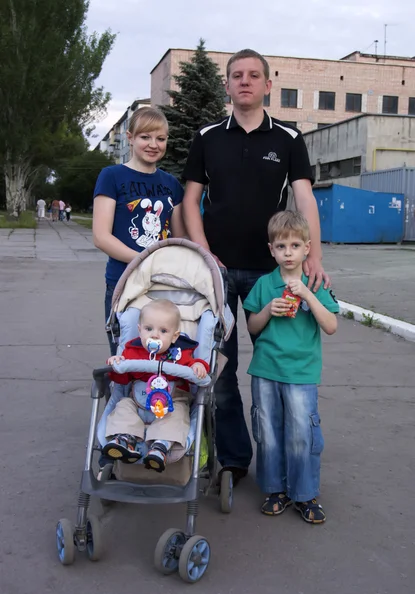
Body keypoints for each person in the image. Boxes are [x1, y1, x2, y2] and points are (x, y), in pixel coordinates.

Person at [182, 48, 331, 487]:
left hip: (274, 274)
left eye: (253, 75)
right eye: (236, 76)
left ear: (268, 84)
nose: (244, 81)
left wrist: (315, 256)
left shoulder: (288, 139)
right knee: (221, 371)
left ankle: (288, 460)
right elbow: (191, 200)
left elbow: (304, 199)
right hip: (219, 272)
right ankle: (233, 460)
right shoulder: (208, 137)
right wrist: (205, 251)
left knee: (279, 368)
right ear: (227, 86)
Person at [243, 211, 338, 523]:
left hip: (301, 373)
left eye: (295, 246)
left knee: (301, 434)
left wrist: (307, 294)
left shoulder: (315, 283)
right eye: (281, 246)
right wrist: (270, 309)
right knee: (268, 432)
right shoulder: (263, 285)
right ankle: (274, 489)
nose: (288, 253)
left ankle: (305, 493)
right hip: (266, 370)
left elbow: (331, 325)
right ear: (272, 250)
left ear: (307, 248)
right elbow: (253, 327)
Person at [93, 107, 186, 356]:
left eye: (161, 138)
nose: (153, 144)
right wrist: (143, 260)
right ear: (130, 137)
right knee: (127, 358)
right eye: (145, 137)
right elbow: (101, 237)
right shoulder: (111, 176)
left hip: (163, 285)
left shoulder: (171, 184)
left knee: (164, 362)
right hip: (124, 283)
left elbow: (179, 239)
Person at [103, 299, 209, 472]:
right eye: (148, 329)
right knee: (123, 406)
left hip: (170, 405)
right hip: (138, 402)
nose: (154, 335)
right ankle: (125, 439)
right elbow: (121, 380)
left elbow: (194, 369)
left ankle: (160, 446)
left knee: (178, 415)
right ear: (139, 330)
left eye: (163, 331)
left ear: (175, 336)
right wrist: (117, 364)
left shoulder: (180, 354)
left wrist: (198, 367)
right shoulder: (132, 351)